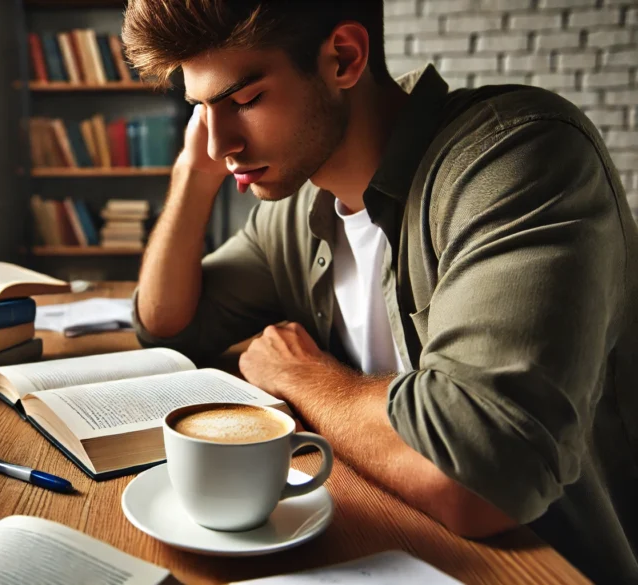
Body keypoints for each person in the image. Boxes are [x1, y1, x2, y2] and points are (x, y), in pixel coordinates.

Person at [122, 1, 638, 582]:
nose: (220, 143)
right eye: (200, 110)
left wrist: (300, 375)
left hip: (543, 567)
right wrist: (192, 173)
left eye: (244, 101)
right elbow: (168, 323)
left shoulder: (516, 157)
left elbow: (479, 479)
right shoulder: (294, 210)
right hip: (386, 535)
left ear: (344, 58)